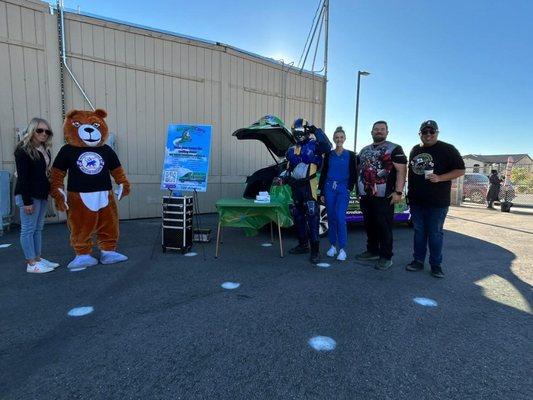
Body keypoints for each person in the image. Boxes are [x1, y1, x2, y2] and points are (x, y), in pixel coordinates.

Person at [406, 120, 465, 278]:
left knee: (435, 233)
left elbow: (460, 170)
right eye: (425, 132)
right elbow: (411, 174)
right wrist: (408, 195)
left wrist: (440, 177)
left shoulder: (447, 149)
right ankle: (418, 260)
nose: (428, 135)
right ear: (420, 134)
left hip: (437, 202)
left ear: (437, 132)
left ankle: (436, 265)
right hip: (417, 201)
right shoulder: (414, 150)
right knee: (419, 232)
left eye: (432, 132)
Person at [355, 121, 407, 270]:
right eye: (376, 129)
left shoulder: (395, 148)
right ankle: (372, 251)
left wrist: (398, 192)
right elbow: (358, 169)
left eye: (382, 129)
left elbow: (401, 170)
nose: (379, 131)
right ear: (371, 132)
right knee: (369, 225)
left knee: (384, 226)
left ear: (387, 132)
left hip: (384, 196)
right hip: (366, 194)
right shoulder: (364, 150)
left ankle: (386, 256)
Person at [279, 118, 330, 264]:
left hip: (309, 185)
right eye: (296, 131)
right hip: (296, 187)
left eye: (301, 130)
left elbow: (327, 147)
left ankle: (315, 251)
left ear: (307, 130)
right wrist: (284, 178)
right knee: (298, 216)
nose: (298, 134)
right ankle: (303, 245)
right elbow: (288, 168)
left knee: (313, 216)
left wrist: (317, 130)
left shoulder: (315, 145)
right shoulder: (291, 149)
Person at [14, 118, 60, 273]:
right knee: (28, 229)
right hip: (28, 195)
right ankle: (31, 263)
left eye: (47, 131)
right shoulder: (23, 150)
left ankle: (38, 258)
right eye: (40, 130)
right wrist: (26, 201)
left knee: (38, 228)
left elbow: (45, 174)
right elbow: (23, 177)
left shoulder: (45, 149)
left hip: (41, 194)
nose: (44, 134)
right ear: (32, 130)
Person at [318, 126, 357, 261]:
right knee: (332, 217)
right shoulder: (329, 155)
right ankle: (333, 246)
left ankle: (342, 248)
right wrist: (321, 191)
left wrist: (349, 188)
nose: (339, 139)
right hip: (329, 188)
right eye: (336, 137)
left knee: (340, 218)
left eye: (341, 137)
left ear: (344, 139)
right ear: (334, 139)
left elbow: (354, 173)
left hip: (343, 189)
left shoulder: (351, 155)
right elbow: (323, 173)